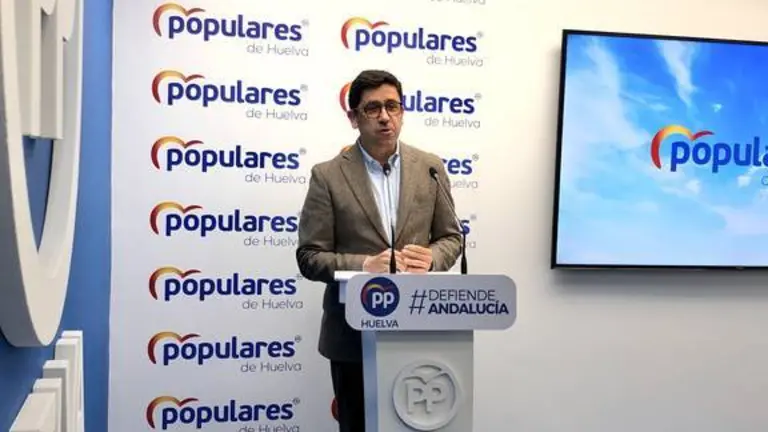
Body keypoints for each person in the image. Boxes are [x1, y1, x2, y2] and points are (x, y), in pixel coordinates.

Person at [295, 69, 462, 431]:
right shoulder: (327, 176)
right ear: (353, 118)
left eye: (392, 106)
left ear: (402, 111)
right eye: (372, 108)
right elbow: (309, 257)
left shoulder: (430, 167)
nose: (385, 116)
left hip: (419, 330)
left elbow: (451, 237)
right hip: (352, 338)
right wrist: (363, 265)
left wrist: (433, 258)